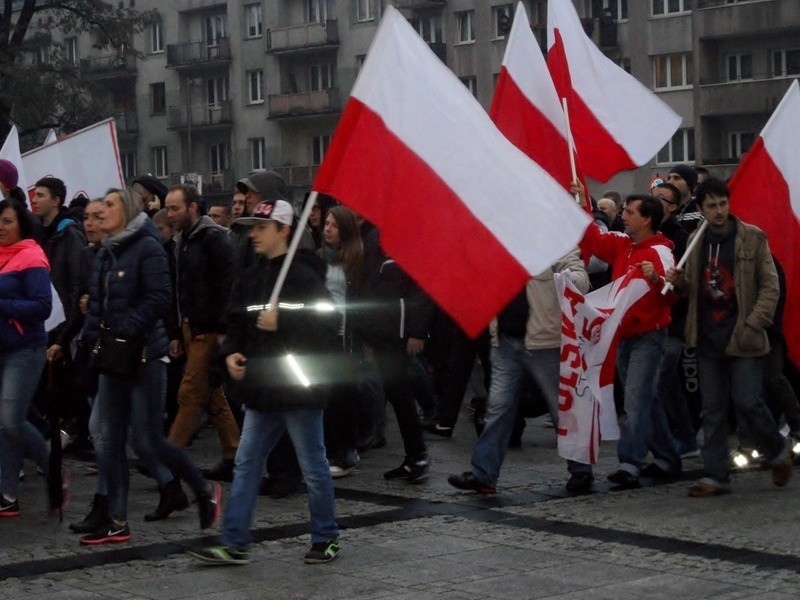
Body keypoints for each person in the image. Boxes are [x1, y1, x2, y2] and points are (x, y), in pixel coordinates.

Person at [189, 199, 340, 565]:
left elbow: (329, 324)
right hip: (262, 388)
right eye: (252, 226)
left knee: (312, 465)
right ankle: (236, 541)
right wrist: (232, 354)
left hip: (299, 387)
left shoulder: (305, 275)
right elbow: (237, 322)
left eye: (262, 227)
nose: (253, 234)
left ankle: (326, 537)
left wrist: (284, 323)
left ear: (284, 231)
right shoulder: (252, 276)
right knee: (246, 462)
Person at [80, 188, 220, 544]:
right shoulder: (105, 253)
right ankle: (117, 519)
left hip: (144, 356)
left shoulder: (146, 247)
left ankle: (202, 491)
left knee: (148, 441)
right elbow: (97, 306)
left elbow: (160, 297)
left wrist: (128, 327)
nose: (99, 214)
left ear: (126, 209)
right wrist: (90, 344)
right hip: (112, 357)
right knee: (109, 439)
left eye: (109, 206)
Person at [666, 178, 793, 497]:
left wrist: (754, 323)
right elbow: (693, 290)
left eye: (722, 203)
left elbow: (770, 285)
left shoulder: (751, 237)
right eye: (711, 205)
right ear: (701, 208)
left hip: (743, 336)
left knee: (748, 401)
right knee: (712, 409)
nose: (719, 211)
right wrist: (678, 282)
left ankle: (777, 450)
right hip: (709, 338)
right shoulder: (697, 240)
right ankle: (715, 474)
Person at [448, 249, 592, 494]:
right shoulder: (499, 245)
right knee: (498, 408)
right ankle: (484, 474)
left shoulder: (554, 242)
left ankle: (581, 469)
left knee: (561, 409)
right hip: (505, 341)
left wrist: (568, 279)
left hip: (544, 342)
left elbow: (581, 278)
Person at [576, 185, 681, 489]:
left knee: (635, 401)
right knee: (645, 399)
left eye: (630, 212)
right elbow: (593, 239)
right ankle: (667, 458)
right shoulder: (624, 245)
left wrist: (656, 279)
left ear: (647, 219)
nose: (623, 216)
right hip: (625, 336)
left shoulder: (661, 252)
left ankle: (629, 462)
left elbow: (672, 295)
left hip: (649, 337)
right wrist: (581, 204)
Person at [165, 184, 239, 482]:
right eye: (168, 208)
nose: (170, 214)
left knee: (189, 391)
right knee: (212, 394)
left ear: (193, 207)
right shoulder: (183, 240)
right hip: (189, 326)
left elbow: (225, 286)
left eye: (175, 208)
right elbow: (181, 289)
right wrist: (176, 330)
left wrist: (222, 328)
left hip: (207, 328)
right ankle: (234, 452)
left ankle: (168, 459)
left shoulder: (213, 239)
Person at [0, 199, 66, 518]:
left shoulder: (31, 256)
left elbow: (42, 307)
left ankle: (53, 467)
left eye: (7, 221)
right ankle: (7, 493)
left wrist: (5, 305)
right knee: (4, 424)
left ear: (22, 225)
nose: (1, 227)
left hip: (25, 348)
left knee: (12, 419)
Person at [318, 205, 365, 477]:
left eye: (333, 225)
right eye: (326, 223)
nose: (328, 229)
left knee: (343, 396)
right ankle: (328, 448)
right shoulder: (320, 257)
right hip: (324, 334)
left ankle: (345, 451)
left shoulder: (356, 259)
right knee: (326, 395)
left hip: (346, 335)